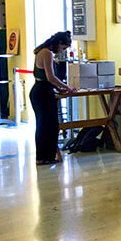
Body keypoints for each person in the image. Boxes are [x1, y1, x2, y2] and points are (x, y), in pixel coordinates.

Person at [30, 31, 75, 165]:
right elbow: (50, 77)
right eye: (63, 48)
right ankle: (44, 156)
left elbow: (46, 78)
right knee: (46, 125)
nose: (62, 52)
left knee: (45, 125)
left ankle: (45, 156)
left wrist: (59, 88)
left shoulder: (42, 52)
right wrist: (67, 87)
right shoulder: (47, 53)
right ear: (59, 43)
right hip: (43, 92)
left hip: (42, 90)